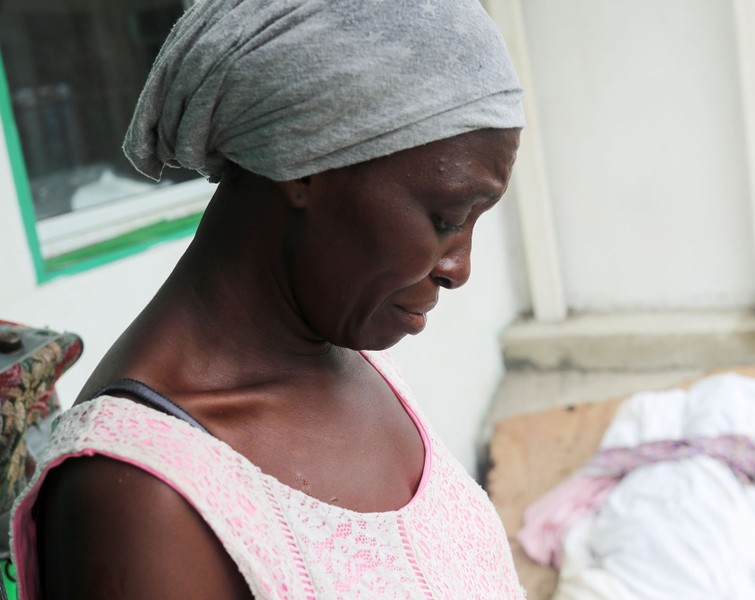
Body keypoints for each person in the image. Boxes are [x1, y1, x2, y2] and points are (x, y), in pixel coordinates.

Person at [11, 0, 525, 597]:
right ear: (305, 163)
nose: (459, 268)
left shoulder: (349, 348)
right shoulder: (142, 500)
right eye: (447, 218)